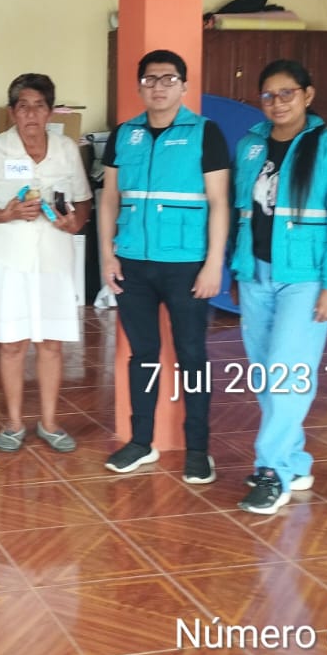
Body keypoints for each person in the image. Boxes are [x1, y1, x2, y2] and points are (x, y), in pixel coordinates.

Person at [231, 60, 327, 514]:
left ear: (307, 95)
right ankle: (295, 460)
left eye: (287, 93)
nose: (277, 103)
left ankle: (272, 472)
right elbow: (242, 214)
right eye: (268, 95)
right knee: (267, 373)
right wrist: (238, 269)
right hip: (256, 273)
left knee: (287, 373)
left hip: (305, 278)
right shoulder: (250, 145)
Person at [97, 49, 230, 484]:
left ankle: (198, 450)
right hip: (133, 264)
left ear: (184, 86)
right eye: (150, 79)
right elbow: (110, 198)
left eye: (168, 79)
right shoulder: (125, 134)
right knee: (143, 356)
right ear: (140, 86)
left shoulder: (205, 133)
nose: (159, 87)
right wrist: (107, 254)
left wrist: (213, 264)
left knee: (193, 356)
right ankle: (141, 441)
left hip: (186, 265)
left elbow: (219, 202)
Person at [0, 73, 92, 454]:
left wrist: (74, 222)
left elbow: (83, 200)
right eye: (23, 107)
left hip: (55, 257)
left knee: (51, 343)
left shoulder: (66, 149)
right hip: (9, 260)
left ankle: (50, 424)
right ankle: (15, 423)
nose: (31, 114)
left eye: (39, 106)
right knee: (12, 344)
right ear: (12, 112)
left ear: (50, 112)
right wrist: (5, 215)